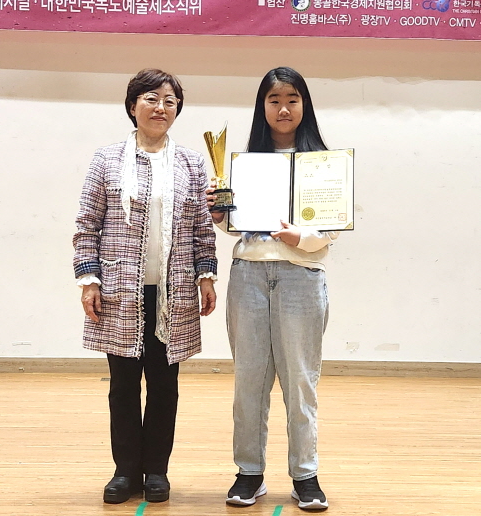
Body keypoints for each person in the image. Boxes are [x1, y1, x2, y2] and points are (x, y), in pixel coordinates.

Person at [73, 68, 218, 505]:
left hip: (172, 294)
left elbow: (201, 228)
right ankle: (125, 471)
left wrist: (206, 275)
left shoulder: (192, 162)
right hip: (120, 292)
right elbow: (87, 224)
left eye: (170, 101)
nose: (161, 108)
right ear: (133, 105)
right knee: (122, 387)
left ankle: (156, 470)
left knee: (164, 386)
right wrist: (88, 280)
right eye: (152, 99)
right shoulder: (107, 160)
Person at [209, 67, 337, 511]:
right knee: (249, 379)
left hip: (301, 277)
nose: (283, 109)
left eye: (292, 99)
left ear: (305, 105)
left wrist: (299, 238)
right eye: (274, 100)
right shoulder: (245, 162)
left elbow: (331, 231)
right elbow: (235, 228)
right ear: (262, 106)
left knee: (300, 381)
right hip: (248, 276)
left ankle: (306, 475)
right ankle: (249, 473)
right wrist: (220, 213)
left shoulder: (324, 164)